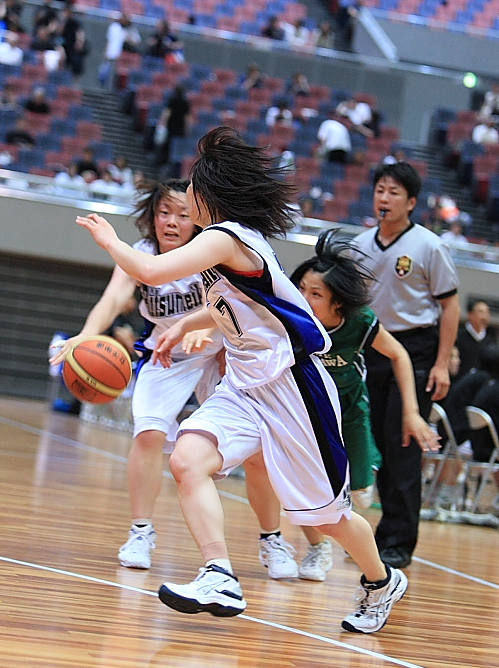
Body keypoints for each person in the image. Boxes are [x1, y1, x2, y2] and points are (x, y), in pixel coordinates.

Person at [76, 127, 409, 634]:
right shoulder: (223, 245)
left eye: (189, 188)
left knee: (323, 517)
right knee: (187, 459)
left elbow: (150, 269)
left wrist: (109, 240)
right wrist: (187, 324)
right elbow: (237, 307)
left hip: (293, 385)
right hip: (245, 385)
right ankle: (218, 574)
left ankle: (381, 579)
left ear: (207, 195)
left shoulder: (224, 238)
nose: (183, 197)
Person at [50, 179, 223, 571]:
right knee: (147, 434)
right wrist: (86, 336)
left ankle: (274, 537)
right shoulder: (142, 253)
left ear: (195, 219)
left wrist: (209, 329)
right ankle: (141, 531)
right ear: (152, 216)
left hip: (218, 355)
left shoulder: (209, 251)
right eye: (164, 212)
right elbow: (113, 298)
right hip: (165, 356)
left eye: (182, 213)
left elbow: (237, 302)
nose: (172, 221)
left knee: (253, 457)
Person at [247, 230, 439, 582]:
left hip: (348, 410)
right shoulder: (288, 315)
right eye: (300, 289)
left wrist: (411, 412)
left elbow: (398, 354)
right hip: (302, 409)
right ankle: (317, 548)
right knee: (305, 486)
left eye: (315, 293)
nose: (303, 298)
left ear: (338, 303)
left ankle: (360, 518)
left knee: (362, 495)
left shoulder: (360, 323)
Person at [353, 161, 460, 569]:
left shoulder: (429, 246)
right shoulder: (361, 244)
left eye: (394, 192)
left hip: (415, 350)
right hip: (372, 347)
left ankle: (398, 543)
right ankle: (380, 537)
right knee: (377, 440)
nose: (385, 197)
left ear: (411, 202)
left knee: (403, 444)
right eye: (380, 189)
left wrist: (441, 363)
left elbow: (450, 306)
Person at [455, 300, 496, 381]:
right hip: (459, 383)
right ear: (470, 315)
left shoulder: (490, 341)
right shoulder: (458, 336)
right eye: (481, 312)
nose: (485, 317)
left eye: (487, 313)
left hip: (481, 387)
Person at [155, 85, 190, 168]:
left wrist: (162, 123)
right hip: (179, 127)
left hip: (171, 126)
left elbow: (167, 113)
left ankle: (163, 162)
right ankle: (170, 165)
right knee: (175, 147)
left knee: (167, 145)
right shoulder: (185, 102)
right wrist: (186, 129)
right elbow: (186, 118)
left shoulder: (172, 100)